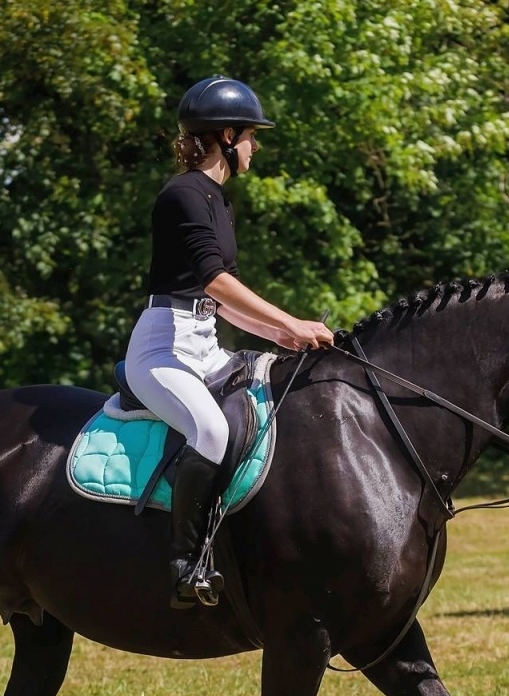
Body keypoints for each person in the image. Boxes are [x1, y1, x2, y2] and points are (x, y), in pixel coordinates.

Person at [124, 76, 334, 609]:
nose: (255, 146)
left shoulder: (218, 200)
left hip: (203, 343)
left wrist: (289, 335)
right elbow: (215, 280)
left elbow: (222, 302)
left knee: (261, 409)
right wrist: (291, 319)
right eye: (251, 136)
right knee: (212, 430)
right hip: (161, 350)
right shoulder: (184, 194)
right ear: (226, 133)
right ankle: (184, 565)